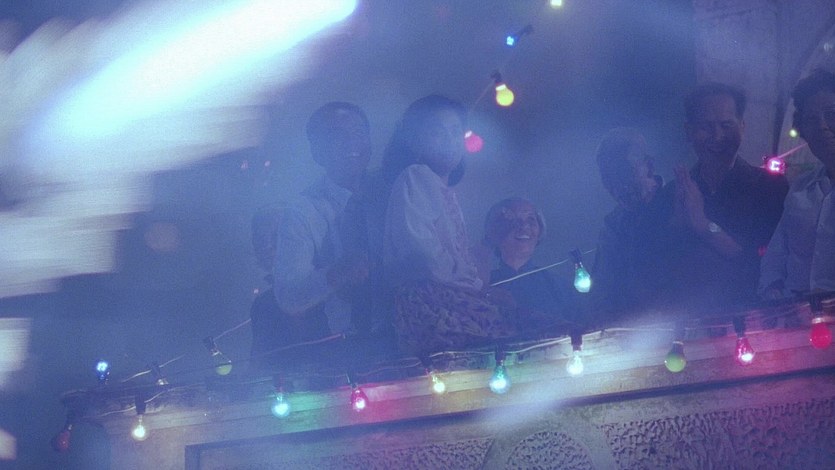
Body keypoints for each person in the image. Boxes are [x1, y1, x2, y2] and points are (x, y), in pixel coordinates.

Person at [383, 95, 517, 354]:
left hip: (445, 298)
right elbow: (423, 256)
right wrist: (480, 290)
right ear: (415, 141)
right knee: (526, 329)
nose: (449, 140)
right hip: (429, 304)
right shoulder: (415, 176)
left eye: (456, 132)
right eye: (437, 132)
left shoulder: (441, 188)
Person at [664, 83, 789, 313]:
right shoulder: (673, 193)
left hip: (754, 317)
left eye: (726, 125)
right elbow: (663, 269)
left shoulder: (770, 187)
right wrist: (676, 225)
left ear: (742, 127)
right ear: (688, 131)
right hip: (688, 321)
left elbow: (764, 264)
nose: (718, 136)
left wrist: (704, 226)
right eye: (706, 127)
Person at [272, 102, 372, 339]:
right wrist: (337, 273)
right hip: (352, 344)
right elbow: (289, 296)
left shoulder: (393, 191)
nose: (351, 142)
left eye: (358, 132)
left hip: (410, 332)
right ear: (316, 151)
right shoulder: (302, 212)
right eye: (337, 136)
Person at [760, 69, 835, 298]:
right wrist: (772, 291)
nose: (822, 126)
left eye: (831, 114)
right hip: (796, 311)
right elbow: (777, 254)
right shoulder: (800, 189)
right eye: (811, 120)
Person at [591, 128, 670, 319]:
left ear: (649, 166)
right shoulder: (612, 225)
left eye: (624, 171)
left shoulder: (678, 202)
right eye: (607, 177)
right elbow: (602, 288)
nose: (617, 184)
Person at [249, 205, 330, 370]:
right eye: (260, 239)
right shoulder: (262, 306)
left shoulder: (327, 285)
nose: (268, 246)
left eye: (276, 237)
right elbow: (259, 367)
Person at [483, 197, 580, 334]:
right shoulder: (480, 286)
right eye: (513, 221)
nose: (524, 227)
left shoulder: (560, 288)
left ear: (540, 230)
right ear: (495, 232)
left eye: (531, 220)